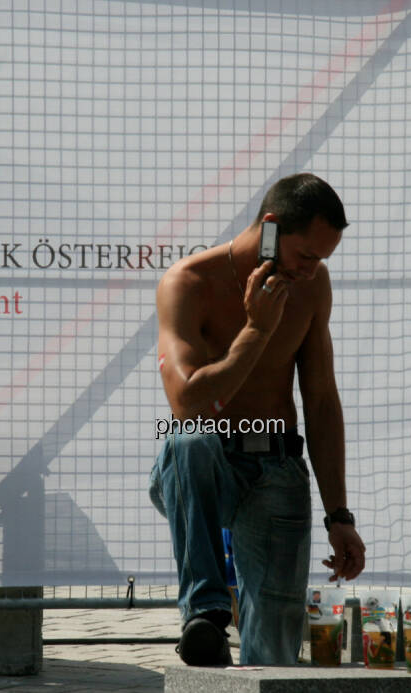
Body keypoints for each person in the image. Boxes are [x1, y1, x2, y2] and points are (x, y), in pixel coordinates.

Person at [148, 173, 366, 666]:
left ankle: (240, 632)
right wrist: (257, 329)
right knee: (189, 440)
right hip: (205, 464)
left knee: (274, 656)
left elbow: (321, 400)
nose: (311, 272)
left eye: (322, 261)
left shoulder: (312, 288)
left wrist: (340, 517)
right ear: (270, 228)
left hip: (277, 466)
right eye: (305, 257)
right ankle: (205, 612)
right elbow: (188, 405)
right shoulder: (189, 282)